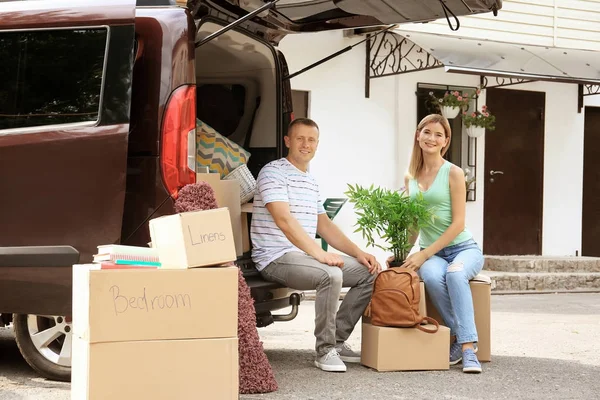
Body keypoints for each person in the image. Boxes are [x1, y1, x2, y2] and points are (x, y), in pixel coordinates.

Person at [251, 118, 381, 373]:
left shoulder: (310, 181)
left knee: (368, 272)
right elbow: (284, 220)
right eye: (299, 138)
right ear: (288, 141)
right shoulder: (272, 172)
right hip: (275, 257)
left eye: (311, 140)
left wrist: (359, 252)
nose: (305, 144)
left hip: (303, 257)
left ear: (317, 145)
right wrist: (319, 254)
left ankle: (338, 341)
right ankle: (324, 351)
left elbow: (325, 226)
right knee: (330, 274)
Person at [387, 114, 484, 373]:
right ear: (418, 136)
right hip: (433, 255)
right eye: (427, 132)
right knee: (430, 276)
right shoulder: (411, 177)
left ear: (446, 141)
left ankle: (466, 348)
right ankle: (461, 333)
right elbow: (414, 224)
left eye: (438, 134)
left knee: (455, 275)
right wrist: (401, 254)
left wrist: (424, 253)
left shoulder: (453, 173)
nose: (432, 138)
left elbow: (458, 224)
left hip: (464, 249)